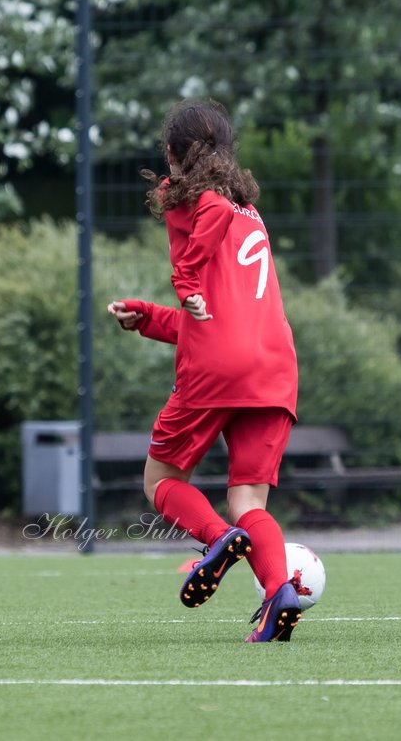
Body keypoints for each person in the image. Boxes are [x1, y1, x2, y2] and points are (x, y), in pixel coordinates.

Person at [107, 98, 302, 643]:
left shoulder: (195, 202)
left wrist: (184, 281)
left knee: (161, 479)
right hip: (275, 367)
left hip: (219, 368)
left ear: (172, 153)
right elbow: (222, 319)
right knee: (249, 501)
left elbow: (208, 316)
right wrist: (147, 318)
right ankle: (278, 592)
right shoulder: (250, 213)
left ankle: (218, 539)